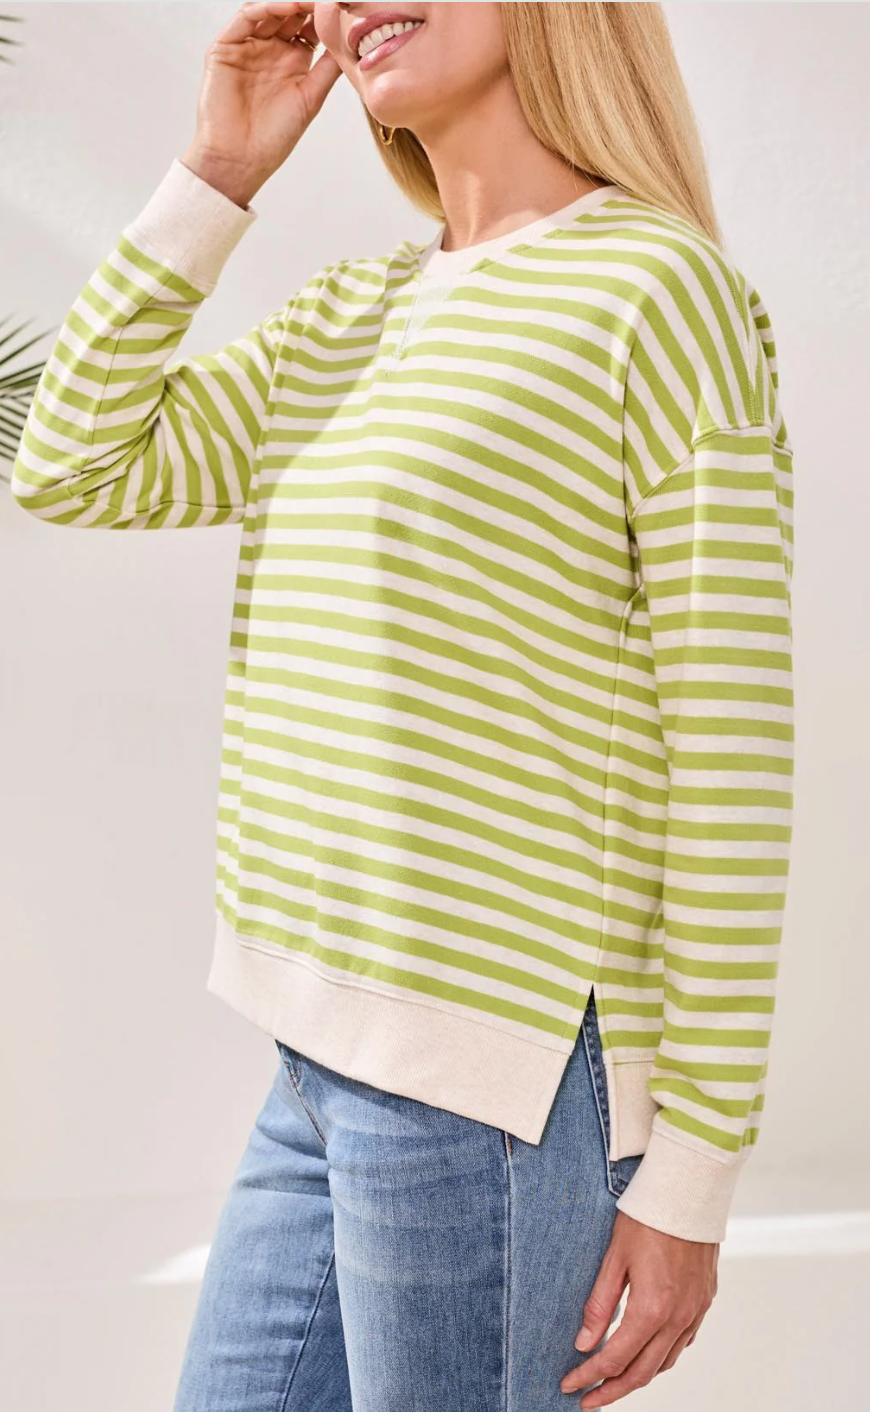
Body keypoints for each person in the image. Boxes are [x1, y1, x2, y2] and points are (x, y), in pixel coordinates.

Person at [11, 3, 795, 1408]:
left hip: (491, 1081)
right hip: (312, 1055)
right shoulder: (349, 313)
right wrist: (217, 171)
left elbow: (730, 756)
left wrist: (693, 1172)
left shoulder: (655, 292)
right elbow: (71, 463)